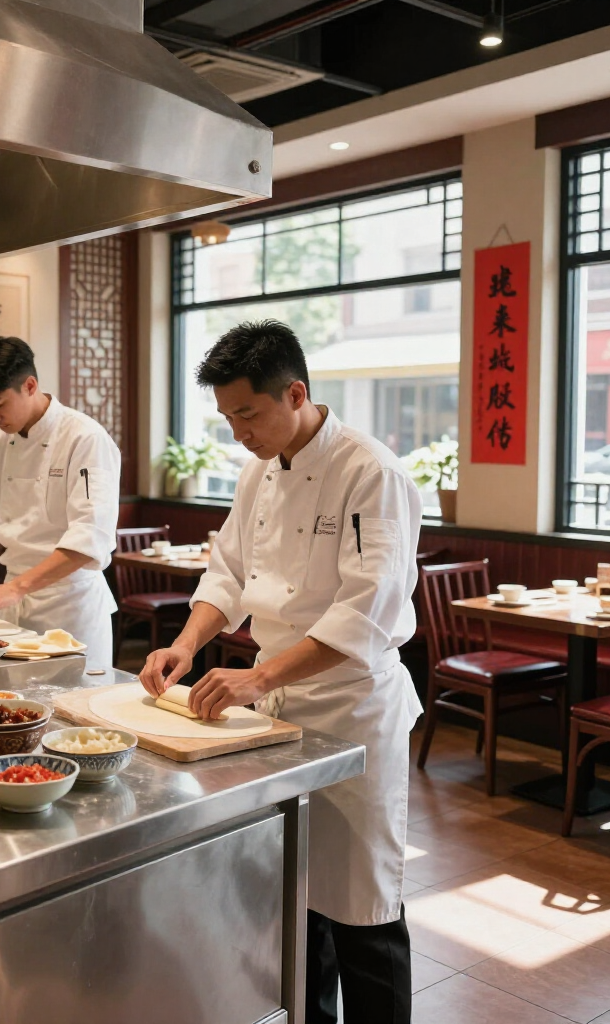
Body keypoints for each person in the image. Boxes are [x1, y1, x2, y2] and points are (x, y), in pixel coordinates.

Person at [139, 320, 421, 1024]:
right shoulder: (257, 471)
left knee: (363, 908)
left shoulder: (370, 471)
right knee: (298, 900)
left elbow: (367, 614)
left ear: (294, 392)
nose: (238, 431)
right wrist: (187, 643)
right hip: (279, 713)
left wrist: (258, 679)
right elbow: (228, 573)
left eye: (248, 413)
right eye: (227, 415)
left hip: (354, 711)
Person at [0, 336, 120, 671]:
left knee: (70, 714)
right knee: (21, 710)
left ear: (30, 385)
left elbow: (90, 537)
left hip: (71, 608)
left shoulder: (84, 438)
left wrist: (16, 587)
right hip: (14, 603)